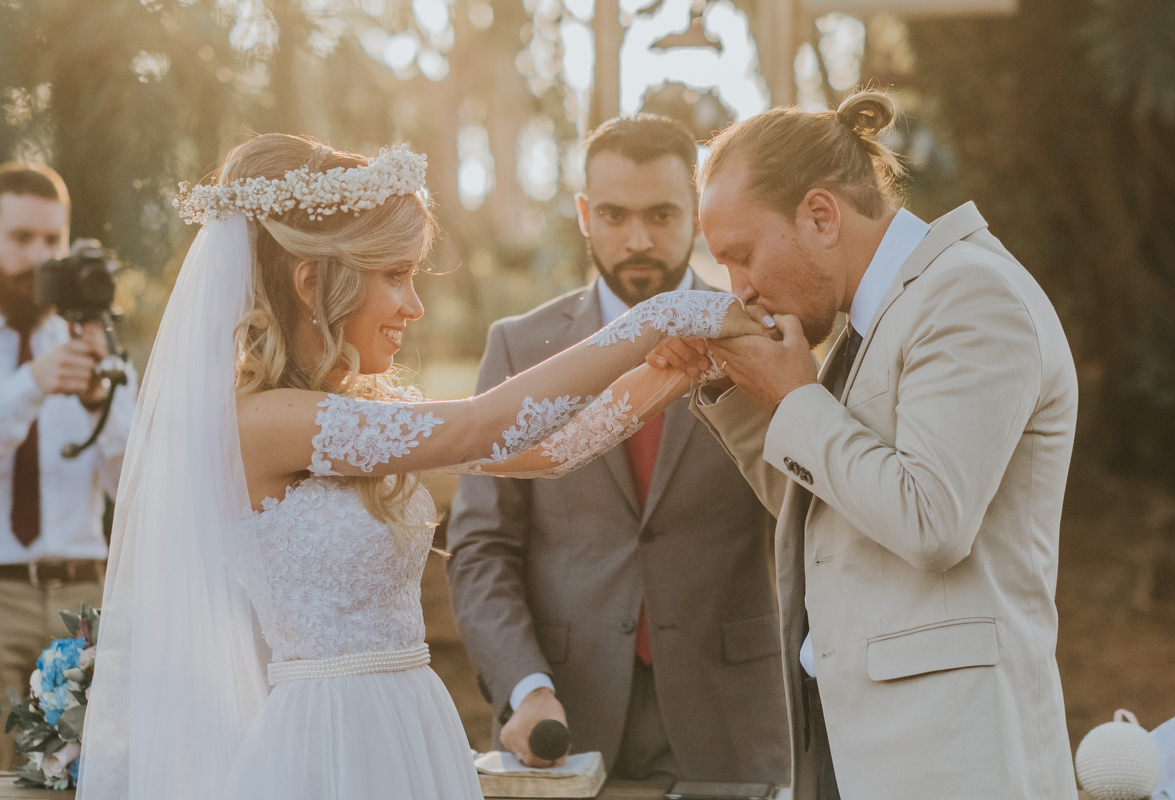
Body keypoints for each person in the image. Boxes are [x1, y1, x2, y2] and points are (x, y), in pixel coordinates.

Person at [77, 133, 770, 800]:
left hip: (408, 721)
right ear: (314, 281)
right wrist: (665, 314)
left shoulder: (350, 413)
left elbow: (551, 452)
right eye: (395, 276)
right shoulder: (263, 421)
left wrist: (668, 378)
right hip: (333, 740)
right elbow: (481, 422)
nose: (413, 305)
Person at [653, 91, 1079, 800]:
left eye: (742, 255)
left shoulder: (971, 295)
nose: (740, 289)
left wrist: (795, 398)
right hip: (852, 752)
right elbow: (827, 509)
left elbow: (931, 518)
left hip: (956, 763)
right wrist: (740, 386)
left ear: (821, 216)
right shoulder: (866, 324)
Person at [447, 114, 788, 782]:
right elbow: (483, 544)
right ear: (583, 214)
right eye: (613, 214)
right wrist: (526, 686)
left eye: (662, 215)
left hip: (733, 716)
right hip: (561, 716)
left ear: (695, 213)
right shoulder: (519, 346)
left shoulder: (758, 333)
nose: (638, 239)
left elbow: (806, 515)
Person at [0, 163, 133, 770]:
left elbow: (134, 487)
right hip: (1, 593)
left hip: (83, 597)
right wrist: (29, 385)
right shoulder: (35, 365)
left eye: (51, 240)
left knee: (87, 774)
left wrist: (103, 400)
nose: (38, 256)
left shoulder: (98, 349)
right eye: (20, 238)